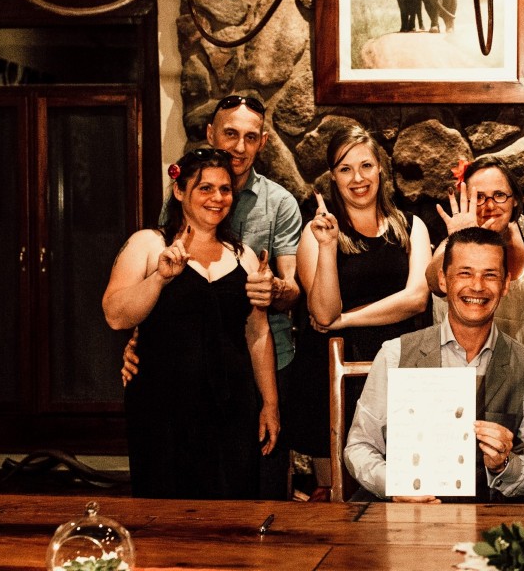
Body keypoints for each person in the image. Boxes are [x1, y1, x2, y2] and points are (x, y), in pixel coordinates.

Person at [121, 94, 302, 500]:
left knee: (252, 494)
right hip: (171, 387)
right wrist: (137, 340)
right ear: (210, 134)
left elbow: (284, 299)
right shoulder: (161, 224)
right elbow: (143, 294)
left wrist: (273, 288)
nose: (239, 146)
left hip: (253, 374)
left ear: (263, 142)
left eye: (250, 137)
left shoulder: (277, 207)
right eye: (230, 134)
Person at [103, 148, 278, 499]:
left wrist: (270, 403)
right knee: (164, 509)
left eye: (225, 189)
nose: (217, 198)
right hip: (163, 407)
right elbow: (116, 316)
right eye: (205, 188)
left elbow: (258, 332)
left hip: (232, 404)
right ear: (180, 191)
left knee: (234, 506)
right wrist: (159, 279)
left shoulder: (243, 255)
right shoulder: (148, 244)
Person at [345, 227, 524, 502]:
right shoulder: (395, 355)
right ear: (443, 280)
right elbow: (360, 447)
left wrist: (506, 464)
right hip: (405, 516)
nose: (477, 286)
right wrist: (396, 485)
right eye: (465, 273)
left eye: (490, 275)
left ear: (505, 284)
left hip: (487, 519)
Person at [292, 124, 431, 488]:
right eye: (345, 169)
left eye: (366, 165)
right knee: (334, 493)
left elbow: (417, 299)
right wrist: (328, 247)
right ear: (333, 177)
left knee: (402, 485)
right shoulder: (316, 233)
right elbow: (324, 313)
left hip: (396, 369)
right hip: (330, 373)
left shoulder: (412, 227)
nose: (358, 178)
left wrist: (346, 320)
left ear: (380, 168)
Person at [425, 156, 524, 351]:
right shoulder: (453, 244)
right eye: (479, 197)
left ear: (514, 199)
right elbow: (433, 283)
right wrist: (460, 239)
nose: (490, 206)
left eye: (499, 195)